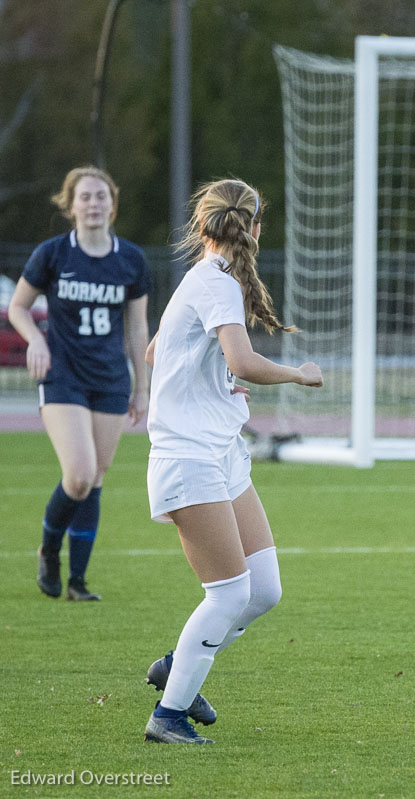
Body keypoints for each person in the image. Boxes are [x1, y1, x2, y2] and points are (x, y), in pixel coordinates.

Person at [142, 179, 323, 744]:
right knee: (228, 594)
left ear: (202, 226)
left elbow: (157, 353)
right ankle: (167, 719)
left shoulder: (207, 278)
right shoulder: (217, 282)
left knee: (263, 589)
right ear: (255, 227)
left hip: (221, 452)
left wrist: (217, 383)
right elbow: (241, 360)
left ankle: (179, 666)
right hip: (189, 457)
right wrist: (297, 373)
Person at [7, 166, 152, 602]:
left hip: (109, 379)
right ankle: (49, 550)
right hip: (63, 376)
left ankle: (78, 583)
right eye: (85, 197)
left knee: (97, 479)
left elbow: (137, 329)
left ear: (113, 203)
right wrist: (36, 339)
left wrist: (141, 387)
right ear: (70, 206)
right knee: (80, 474)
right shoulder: (53, 254)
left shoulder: (131, 259)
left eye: (101, 196)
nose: (94, 204)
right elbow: (17, 307)